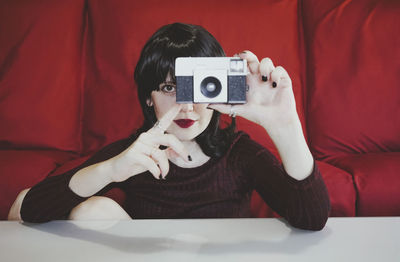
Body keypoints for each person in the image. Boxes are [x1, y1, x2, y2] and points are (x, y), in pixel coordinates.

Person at [11, 23, 330, 230]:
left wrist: (286, 125)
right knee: (91, 210)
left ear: (220, 88)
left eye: (198, 87)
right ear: (148, 98)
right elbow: (25, 209)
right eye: (168, 88)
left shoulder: (239, 153)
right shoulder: (136, 153)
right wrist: (111, 171)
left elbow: (312, 218)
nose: (186, 105)